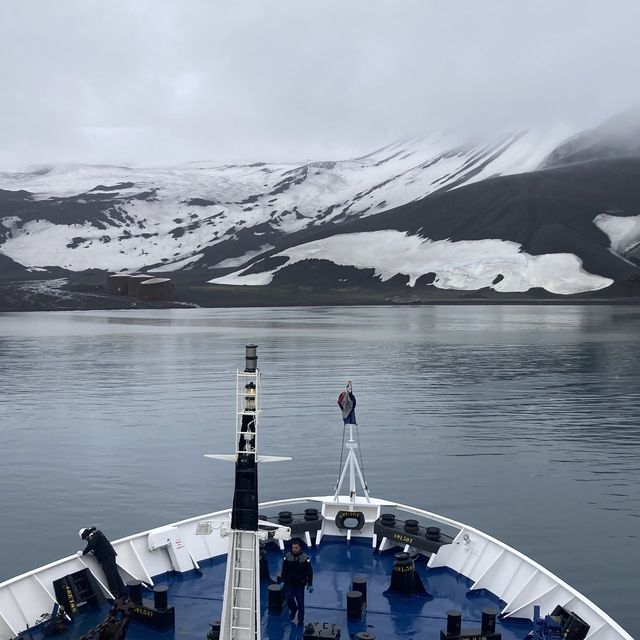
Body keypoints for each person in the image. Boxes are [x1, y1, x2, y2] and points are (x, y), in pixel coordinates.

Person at [77, 527, 126, 598]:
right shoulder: (96, 533)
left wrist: (83, 553)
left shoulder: (94, 535)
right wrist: (93, 552)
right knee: (115, 574)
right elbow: (98, 546)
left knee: (110, 576)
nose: (86, 539)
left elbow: (91, 545)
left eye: (85, 538)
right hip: (109, 556)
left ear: (85, 535)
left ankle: (115, 594)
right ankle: (123, 592)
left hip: (106, 558)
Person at [280, 539, 313, 626]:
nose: (294, 549)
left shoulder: (305, 558)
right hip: (289, 584)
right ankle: (294, 609)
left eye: (296, 548)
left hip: (299, 585)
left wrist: (310, 584)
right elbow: (284, 570)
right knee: (288, 598)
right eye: (293, 548)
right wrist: (282, 580)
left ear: (299, 548)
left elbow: (309, 572)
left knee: (301, 603)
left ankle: (301, 620)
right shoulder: (287, 557)